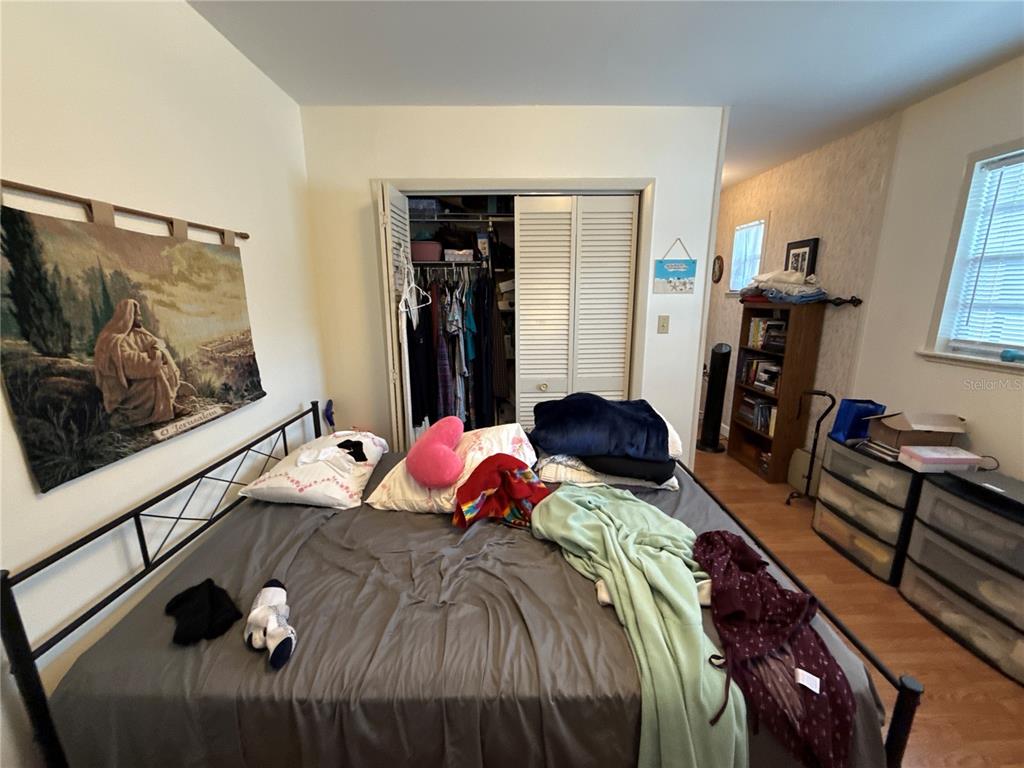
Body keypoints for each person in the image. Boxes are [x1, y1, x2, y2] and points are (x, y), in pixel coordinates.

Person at [93, 298, 183, 427]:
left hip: (141, 375)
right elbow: (132, 365)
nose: (141, 318)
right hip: (124, 387)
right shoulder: (113, 340)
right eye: (138, 315)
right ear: (129, 315)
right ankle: (143, 414)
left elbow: (156, 344)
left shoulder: (137, 334)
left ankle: (168, 405)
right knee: (156, 376)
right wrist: (154, 356)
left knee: (162, 370)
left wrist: (157, 351)